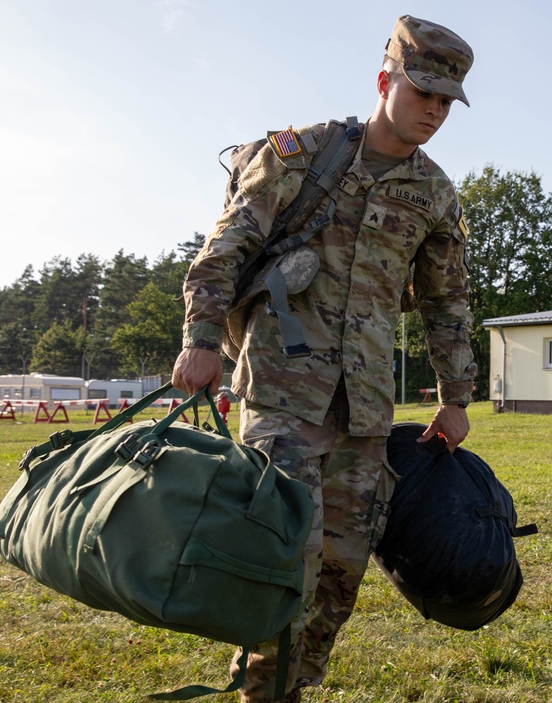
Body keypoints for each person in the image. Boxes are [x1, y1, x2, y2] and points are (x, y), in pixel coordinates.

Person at [172, 15, 477, 702]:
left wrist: (455, 395)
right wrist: (200, 336)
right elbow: (227, 246)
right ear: (384, 81)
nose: (433, 110)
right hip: (283, 393)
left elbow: (447, 301)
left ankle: (291, 686)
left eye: (445, 102)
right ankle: (262, 692)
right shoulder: (302, 153)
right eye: (422, 91)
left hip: (364, 411)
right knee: (285, 556)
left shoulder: (434, 194)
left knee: (340, 570)